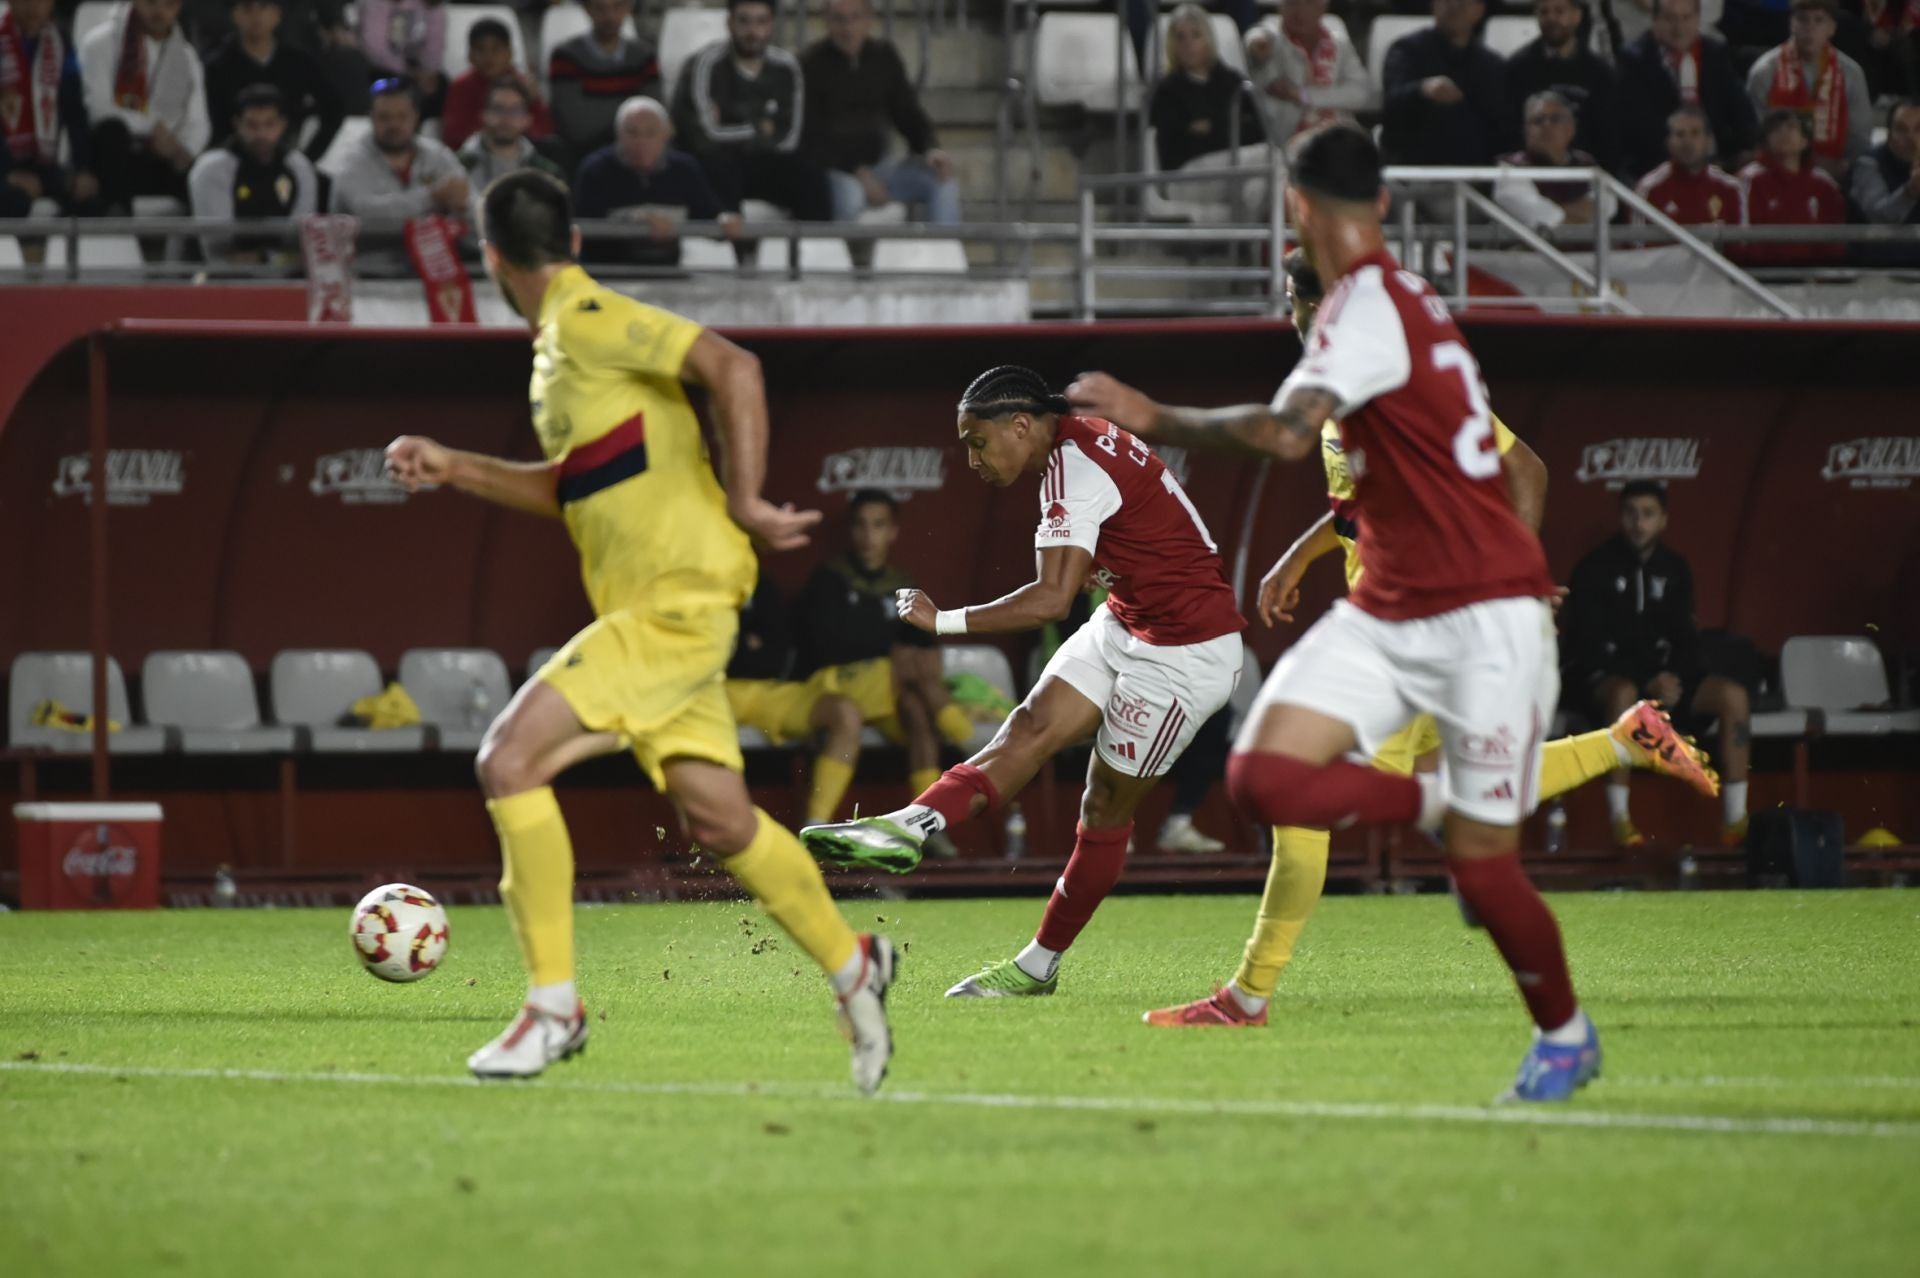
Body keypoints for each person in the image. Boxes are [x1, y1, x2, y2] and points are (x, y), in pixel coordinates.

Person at [1065, 123, 1597, 1104]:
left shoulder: (1360, 317)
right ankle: (1442, 811)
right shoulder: (1403, 306)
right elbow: (1405, 479)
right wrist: (1311, 550)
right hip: (1392, 607)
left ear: (1297, 209)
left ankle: (1564, 1033)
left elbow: (1276, 430)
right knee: (1264, 774)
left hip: (1473, 613)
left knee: (1483, 875)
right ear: (1384, 205)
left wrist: (1151, 416)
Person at [383, 170, 896, 1090]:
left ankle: (552, 1009)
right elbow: (570, 486)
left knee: (508, 762)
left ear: (491, 259)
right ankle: (855, 967)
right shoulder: (561, 355)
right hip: (659, 615)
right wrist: (453, 465)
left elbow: (733, 366)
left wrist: (742, 497)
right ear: (572, 233)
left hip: (680, 603)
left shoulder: (583, 318)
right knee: (723, 819)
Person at [1112, 249, 1715, 1030]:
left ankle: (1247, 997)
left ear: (1312, 307)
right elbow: (1366, 505)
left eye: (1296, 302)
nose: (1294, 318)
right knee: (1458, 786)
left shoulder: (1388, 380)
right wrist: (1300, 554)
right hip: (1420, 623)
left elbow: (1525, 470)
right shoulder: (1354, 385)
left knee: (1298, 793)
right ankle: (1622, 743)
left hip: (1416, 629)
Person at [801, 367, 1247, 1000]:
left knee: (1103, 809)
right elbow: (1151, 524)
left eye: (977, 442)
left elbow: (1047, 601)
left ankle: (1039, 964)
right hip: (1127, 621)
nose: (972, 459)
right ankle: (910, 826)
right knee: (1029, 726)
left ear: (1020, 425)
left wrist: (941, 620)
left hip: (1184, 655)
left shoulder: (1073, 466)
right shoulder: (1080, 444)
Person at [731, 490, 980, 830]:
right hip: (833, 684)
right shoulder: (828, 579)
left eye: (878, 526)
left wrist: (892, 651)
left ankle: (926, 824)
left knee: (917, 712)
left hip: (887, 692)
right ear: (851, 531)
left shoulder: (902, 585)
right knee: (905, 666)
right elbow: (821, 645)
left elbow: (924, 646)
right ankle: (976, 751)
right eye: (861, 526)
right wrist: (887, 648)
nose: (868, 536)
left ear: (892, 532)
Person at [1566, 481, 1754, 848]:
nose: (1639, 523)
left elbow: (1687, 638)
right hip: (1611, 686)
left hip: (1665, 686)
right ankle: (1620, 819)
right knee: (1623, 694)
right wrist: (1646, 680)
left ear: (1663, 520)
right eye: (1631, 513)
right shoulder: (1594, 569)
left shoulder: (1675, 568)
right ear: (1620, 517)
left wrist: (1674, 679)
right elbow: (1587, 647)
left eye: (1648, 514)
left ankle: (1734, 822)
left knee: (1733, 697)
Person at [670, 0, 831, 222]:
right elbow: (703, 137)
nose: (752, 31)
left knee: (810, 175)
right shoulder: (705, 64)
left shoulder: (786, 67)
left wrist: (729, 123)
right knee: (717, 169)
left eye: (761, 21)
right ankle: (729, 253)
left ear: (772, 24)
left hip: (766, 162)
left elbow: (789, 139)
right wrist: (759, 127)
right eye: (744, 21)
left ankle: (815, 252)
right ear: (729, 23)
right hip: (716, 163)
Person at [801, 0, 959, 226]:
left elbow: (908, 113)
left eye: (855, 18)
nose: (848, 28)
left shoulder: (884, 57)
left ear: (868, 20)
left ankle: (945, 257)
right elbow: (812, 138)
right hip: (836, 171)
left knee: (942, 181)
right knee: (850, 199)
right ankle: (844, 260)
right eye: (839, 19)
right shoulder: (810, 64)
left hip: (882, 167)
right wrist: (858, 172)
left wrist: (930, 149)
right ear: (826, 21)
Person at [573, 95, 737, 268]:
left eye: (650, 132)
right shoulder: (595, 171)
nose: (641, 141)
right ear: (618, 134)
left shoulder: (685, 170)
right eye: (632, 132)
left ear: (666, 134)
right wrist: (633, 224)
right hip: (611, 277)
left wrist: (725, 221)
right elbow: (582, 232)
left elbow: (709, 214)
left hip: (670, 276)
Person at [80, 0, 211, 211]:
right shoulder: (101, 42)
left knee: (205, 171)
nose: (159, 12)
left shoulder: (187, 56)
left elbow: (199, 121)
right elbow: (99, 108)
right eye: (151, 3)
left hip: (166, 157)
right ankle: (117, 225)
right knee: (111, 132)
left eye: (168, 5)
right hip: (119, 153)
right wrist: (150, 128)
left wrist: (182, 150)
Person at [327, 77, 466, 272]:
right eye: (384, 117)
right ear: (371, 118)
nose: (394, 124)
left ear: (416, 117)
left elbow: (466, 198)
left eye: (402, 116)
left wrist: (461, 204)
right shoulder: (352, 162)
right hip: (367, 272)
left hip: (434, 269)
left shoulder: (437, 155)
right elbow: (366, 213)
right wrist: (431, 198)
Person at [1618, 0, 1758, 177]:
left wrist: (1747, 150)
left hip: (1718, 164)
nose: (1679, 28)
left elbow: (1741, 111)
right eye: (1670, 18)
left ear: (1698, 19)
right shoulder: (1634, 61)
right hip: (1658, 168)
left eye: (1686, 17)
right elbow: (1640, 130)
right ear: (1654, 20)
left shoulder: (1714, 53)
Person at [188, 81, 317, 263]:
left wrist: (269, 259)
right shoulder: (212, 169)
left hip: (287, 275)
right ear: (237, 124)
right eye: (252, 125)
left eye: (269, 124)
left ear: (283, 125)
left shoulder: (299, 167)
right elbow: (218, 248)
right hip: (224, 279)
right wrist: (273, 258)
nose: (261, 134)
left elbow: (300, 237)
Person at [1380, 0, 1516, 168]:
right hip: (1415, 171)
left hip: (1478, 175)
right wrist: (1423, 90)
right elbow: (1392, 102)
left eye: (1463, 2)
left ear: (1480, 9)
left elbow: (1503, 126)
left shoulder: (1493, 65)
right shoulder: (1406, 51)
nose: (1454, 6)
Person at [202, 0, 342, 162]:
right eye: (248, 8)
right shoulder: (217, 66)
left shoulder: (298, 61)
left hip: (285, 159)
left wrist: (308, 157)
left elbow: (334, 108)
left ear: (277, 14)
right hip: (231, 162)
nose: (256, 16)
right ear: (235, 14)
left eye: (264, 7)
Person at [1746, 0, 1873, 178]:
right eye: (1802, 19)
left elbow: (1860, 140)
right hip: (1776, 174)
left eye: (1819, 20)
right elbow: (1755, 137)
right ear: (1791, 23)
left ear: (1832, 28)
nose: (1810, 28)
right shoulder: (1765, 72)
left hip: (1837, 175)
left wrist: (1843, 166)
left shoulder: (1851, 74)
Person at [0, 0, 100, 216]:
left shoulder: (60, 42)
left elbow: (74, 110)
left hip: (44, 163)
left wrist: (83, 169)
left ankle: (61, 250)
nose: (33, 7)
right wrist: (5, 174)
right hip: (5, 164)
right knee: (13, 201)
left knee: (89, 200)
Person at [1506, 0, 1620, 175]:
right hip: (1530, 175)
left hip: (1587, 174)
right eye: (1544, 12)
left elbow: (1609, 134)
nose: (1551, 18)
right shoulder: (1517, 68)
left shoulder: (1599, 72)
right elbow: (1511, 129)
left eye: (1559, 11)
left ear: (1577, 15)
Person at [1243, 0, 1375, 147]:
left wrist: (1303, 95)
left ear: (1322, 7)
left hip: (1340, 140)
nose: (1300, 11)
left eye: (1309, 3)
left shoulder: (1339, 44)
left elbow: (1361, 93)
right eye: (1292, 3)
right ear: (1280, 7)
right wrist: (1254, 43)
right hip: (1285, 146)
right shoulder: (1270, 44)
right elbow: (1259, 35)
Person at [547, 0, 658, 169]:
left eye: (617, 7)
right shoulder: (565, 56)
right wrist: (630, 123)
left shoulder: (644, 56)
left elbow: (653, 113)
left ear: (629, 8)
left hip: (638, 154)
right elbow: (575, 125)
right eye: (600, 8)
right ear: (588, 10)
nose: (609, 16)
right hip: (583, 155)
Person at [1493, 89, 1619, 229]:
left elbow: (1607, 207)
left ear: (1571, 128)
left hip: (1588, 249)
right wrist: (1579, 215)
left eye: (1555, 119)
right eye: (1538, 120)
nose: (1546, 126)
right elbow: (1540, 217)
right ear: (1526, 130)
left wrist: (1556, 211)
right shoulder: (1511, 168)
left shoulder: (1586, 163)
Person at [1734, 106, 1845, 263]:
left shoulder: (1824, 184)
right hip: (1763, 275)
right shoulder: (1750, 180)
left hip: (1814, 277)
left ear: (1804, 141)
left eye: (1791, 127)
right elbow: (1743, 238)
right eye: (1776, 129)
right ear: (1766, 141)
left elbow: (1834, 240)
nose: (1784, 133)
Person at [458, 79, 565, 224]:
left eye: (515, 110)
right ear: (484, 115)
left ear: (527, 120)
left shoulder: (547, 173)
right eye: (498, 109)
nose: (506, 118)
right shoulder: (460, 166)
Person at [441, 17, 551, 152]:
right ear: (470, 56)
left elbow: (543, 133)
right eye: (481, 49)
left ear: (510, 53)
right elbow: (454, 135)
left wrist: (531, 102)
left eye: (496, 49)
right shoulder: (460, 87)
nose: (489, 56)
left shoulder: (525, 86)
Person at [1633, 104, 1747, 223]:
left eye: (1695, 133)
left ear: (1708, 141)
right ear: (1668, 143)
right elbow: (1637, 241)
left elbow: (1742, 240)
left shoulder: (1731, 189)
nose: (1687, 142)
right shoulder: (1649, 189)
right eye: (1680, 134)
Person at [1851, 98, 1920, 263]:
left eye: (1919, 129)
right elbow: (1879, 217)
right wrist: (1910, 192)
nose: (1911, 138)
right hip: (1882, 270)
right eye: (1901, 129)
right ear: (1889, 135)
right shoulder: (1868, 164)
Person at [356, 0, 445, 116]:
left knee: (439, 85)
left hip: (414, 67)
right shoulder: (375, 3)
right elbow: (375, 48)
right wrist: (409, 72)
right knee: (398, 85)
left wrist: (427, 72)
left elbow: (434, 47)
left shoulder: (427, 5)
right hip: (377, 68)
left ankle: (415, 128)